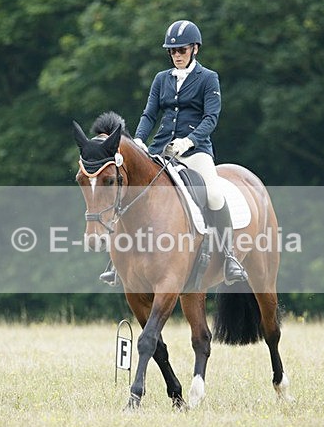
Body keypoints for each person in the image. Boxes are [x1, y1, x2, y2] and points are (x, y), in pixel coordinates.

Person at [99, 19, 248, 286]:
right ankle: (115, 262)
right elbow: (149, 114)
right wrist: (140, 141)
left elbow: (211, 118)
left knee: (213, 194)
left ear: (195, 49)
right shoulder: (161, 79)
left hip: (195, 151)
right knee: (129, 191)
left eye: (182, 50)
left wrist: (189, 141)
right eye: (173, 51)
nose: (177, 56)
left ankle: (229, 257)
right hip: (161, 149)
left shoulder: (208, 78)